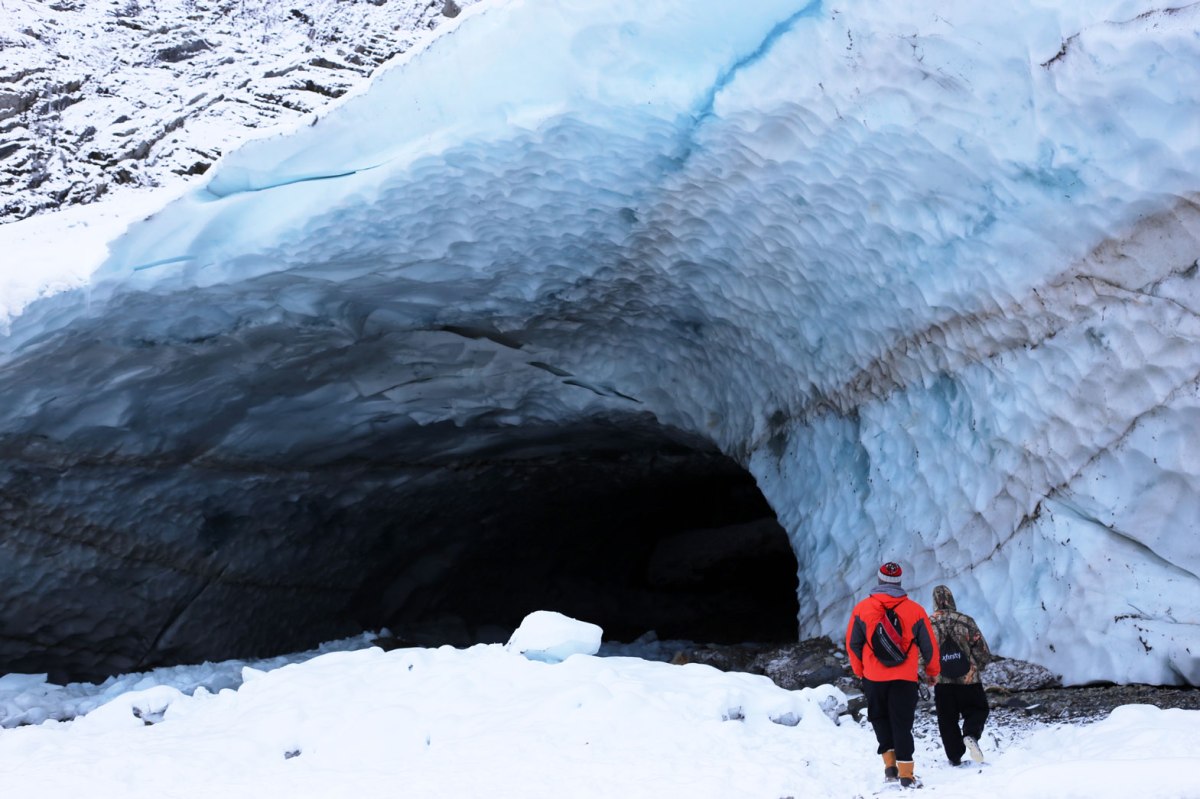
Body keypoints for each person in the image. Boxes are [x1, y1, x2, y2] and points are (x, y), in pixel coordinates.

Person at [846, 561, 940, 789]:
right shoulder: (915, 610)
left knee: (879, 718)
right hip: (904, 678)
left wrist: (860, 671)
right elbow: (929, 646)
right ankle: (906, 774)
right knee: (902, 722)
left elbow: (853, 644)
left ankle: (890, 767)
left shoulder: (862, 609)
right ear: (899, 582)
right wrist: (932, 672)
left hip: (873, 677)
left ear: (879, 580)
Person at [929, 584, 993, 766]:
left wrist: (927, 673)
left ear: (934, 602)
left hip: (942, 681)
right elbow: (982, 650)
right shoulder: (966, 621)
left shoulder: (927, 624)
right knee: (978, 709)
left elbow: (921, 653)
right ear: (952, 599)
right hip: (969, 679)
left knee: (946, 718)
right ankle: (971, 734)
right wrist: (978, 666)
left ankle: (954, 755)